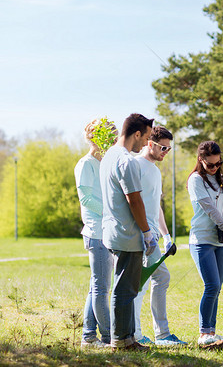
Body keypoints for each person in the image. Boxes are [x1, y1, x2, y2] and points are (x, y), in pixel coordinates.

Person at [100, 113, 158, 351]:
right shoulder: (127, 161)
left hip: (113, 231)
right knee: (125, 290)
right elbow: (135, 200)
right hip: (127, 234)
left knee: (124, 288)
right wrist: (146, 232)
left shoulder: (109, 156)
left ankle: (128, 338)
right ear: (136, 134)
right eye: (146, 137)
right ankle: (122, 341)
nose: (146, 144)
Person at [133, 126, 186, 346]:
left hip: (154, 236)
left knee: (158, 278)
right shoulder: (136, 165)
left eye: (169, 149)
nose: (166, 152)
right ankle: (138, 334)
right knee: (140, 284)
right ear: (149, 143)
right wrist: (145, 233)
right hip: (141, 235)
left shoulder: (155, 170)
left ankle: (158, 334)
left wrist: (166, 236)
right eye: (163, 147)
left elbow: (157, 207)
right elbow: (131, 202)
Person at [187, 141, 223, 345]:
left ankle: (212, 333)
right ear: (201, 160)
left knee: (217, 288)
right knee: (212, 285)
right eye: (211, 165)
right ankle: (203, 333)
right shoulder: (196, 180)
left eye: (218, 164)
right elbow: (208, 207)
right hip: (202, 239)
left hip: (219, 241)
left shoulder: (221, 180)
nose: (215, 167)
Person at [74, 119, 116, 348]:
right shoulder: (85, 164)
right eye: (110, 135)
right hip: (96, 232)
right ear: (97, 137)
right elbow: (87, 199)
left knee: (96, 286)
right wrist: (113, 211)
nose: (114, 139)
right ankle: (110, 338)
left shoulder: (104, 163)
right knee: (101, 288)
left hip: (107, 231)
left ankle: (89, 337)